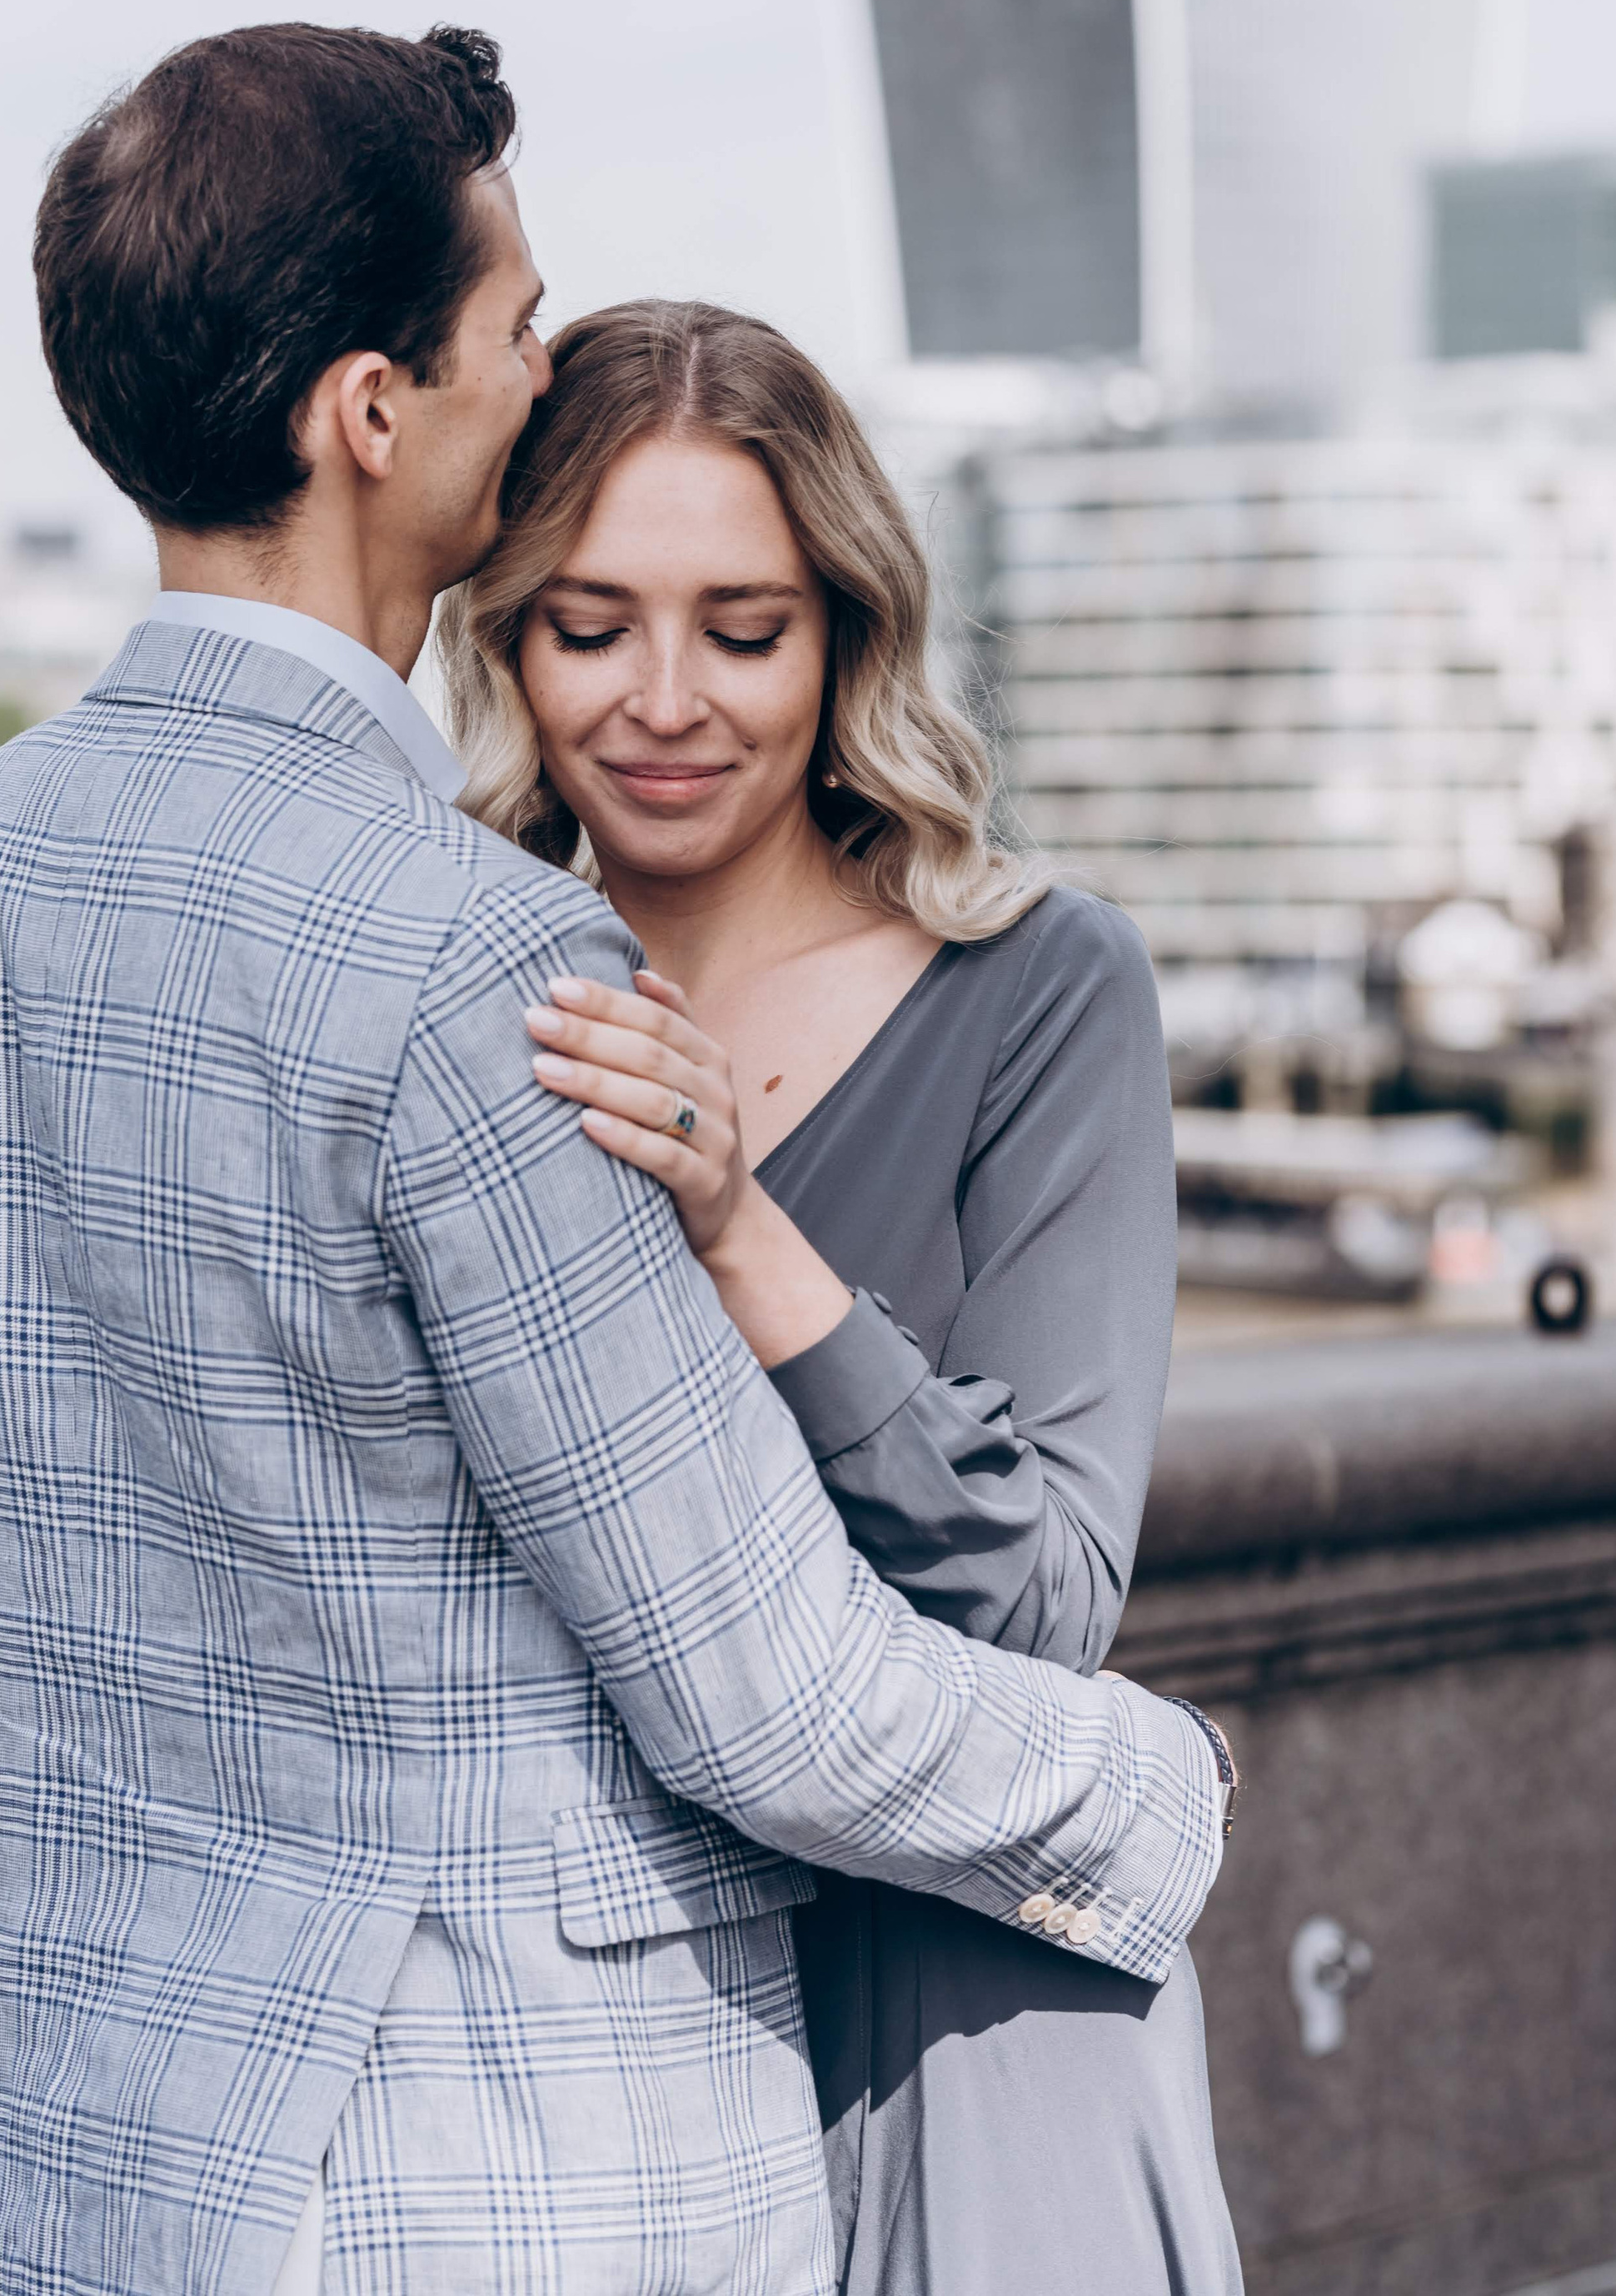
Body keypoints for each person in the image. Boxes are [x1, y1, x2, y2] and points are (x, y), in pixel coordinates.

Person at [0, 23, 1229, 2296]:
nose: (537, 359)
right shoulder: (481, 954)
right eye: (511, 323)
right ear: (374, 412)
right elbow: (757, 1687)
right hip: (496, 2184)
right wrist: (1160, 1788)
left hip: (76, 2162)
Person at [442, 296, 1244, 2296]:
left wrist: (739, 1225)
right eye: (588, 622)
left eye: (742, 627)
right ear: (506, 636)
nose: (662, 700)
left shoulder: (1040, 991)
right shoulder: (447, 993)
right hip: (557, 2060)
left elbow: (1045, 1600)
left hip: (952, 2023)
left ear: (844, 634)